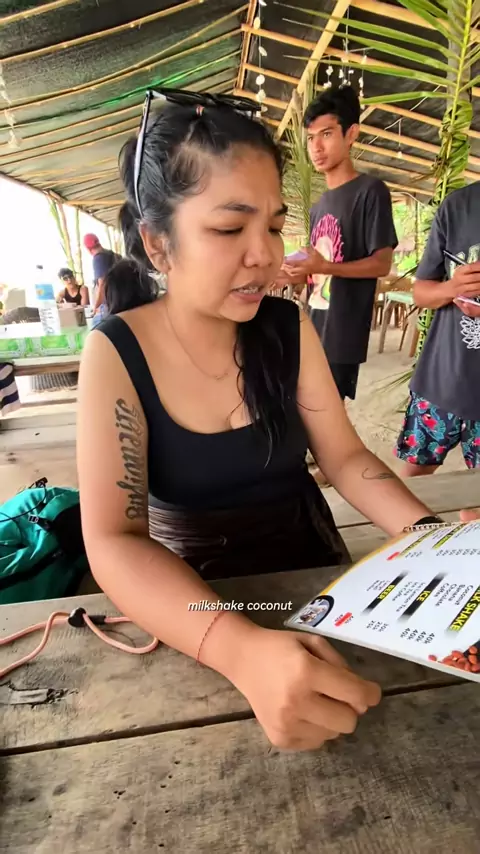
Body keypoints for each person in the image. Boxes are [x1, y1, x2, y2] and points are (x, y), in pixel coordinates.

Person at [77, 88, 447, 754]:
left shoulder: (284, 325)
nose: (265, 255)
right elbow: (113, 540)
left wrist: (435, 543)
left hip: (314, 573)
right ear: (158, 244)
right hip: (192, 606)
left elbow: (346, 459)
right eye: (230, 229)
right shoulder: (117, 353)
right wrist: (240, 651)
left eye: (274, 227)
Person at [280, 85, 398, 403]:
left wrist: (326, 266)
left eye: (327, 134)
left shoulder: (370, 191)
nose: (316, 147)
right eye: (310, 138)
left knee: (324, 415)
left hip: (342, 334)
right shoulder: (319, 206)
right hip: (313, 325)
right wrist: (293, 273)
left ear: (351, 134)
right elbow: (316, 272)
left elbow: (382, 263)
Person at [396, 183, 480, 476]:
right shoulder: (457, 205)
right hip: (441, 382)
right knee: (412, 484)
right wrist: (452, 288)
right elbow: (421, 293)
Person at [83, 233, 119, 323]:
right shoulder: (113, 255)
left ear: (88, 249)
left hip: (111, 305)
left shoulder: (99, 259)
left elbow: (103, 284)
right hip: (121, 302)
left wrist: (96, 308)